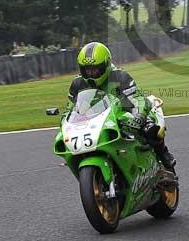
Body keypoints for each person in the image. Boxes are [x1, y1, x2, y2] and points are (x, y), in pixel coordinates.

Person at [66, 41, 176, 170]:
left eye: (95, 69)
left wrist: (139, 116)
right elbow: (70, 109)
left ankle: (164, 154)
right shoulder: (78, 83)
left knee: (150, 129)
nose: (91, 74)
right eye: (87, 70)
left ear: (106, 65)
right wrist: (65, 121)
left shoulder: (120, 76)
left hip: (125, 113)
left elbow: (138, 99)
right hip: (96, 120)